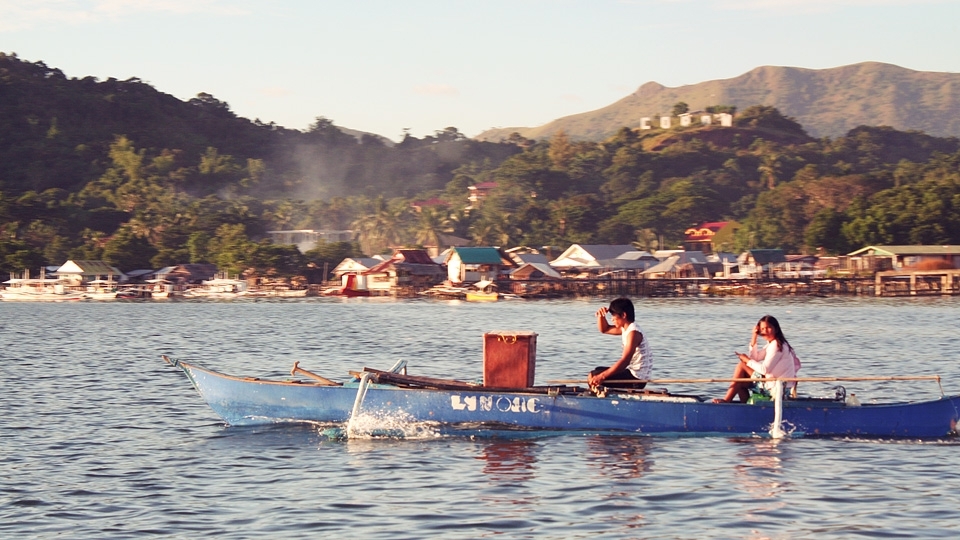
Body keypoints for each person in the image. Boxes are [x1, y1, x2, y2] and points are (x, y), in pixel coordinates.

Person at [712, 315, 800, 403]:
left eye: (768, 328)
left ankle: (727, 400)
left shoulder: (777, 345)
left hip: (777, 389)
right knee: (740, 380)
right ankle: (746, 408)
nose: (765, 331)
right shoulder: (772, 344)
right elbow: (755, 358)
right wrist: (754, 336)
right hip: (774, 384)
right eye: (762, 329)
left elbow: (764, 369)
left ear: (776, 329)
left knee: (741, 366)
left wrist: (747, 360)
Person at [588, 297, 652, 390]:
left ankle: (597, 399)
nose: (612, 319)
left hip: (637, 379)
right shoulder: (626, 328)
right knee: (596, 371)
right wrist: (601, 316)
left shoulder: (633, 333)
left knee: (595, 375)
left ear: (623, 315)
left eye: (613, 316)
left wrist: (601, 376)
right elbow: (605, 329)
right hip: (632, 373)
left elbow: (625, 361)